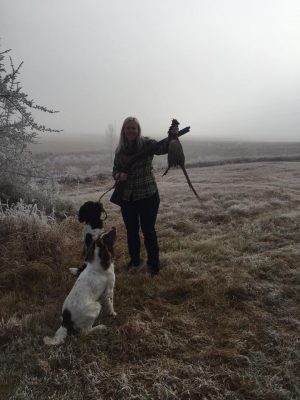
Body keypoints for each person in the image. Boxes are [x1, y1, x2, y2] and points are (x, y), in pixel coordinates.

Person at [112, 116, 173, 277]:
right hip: (127, 198)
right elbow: (114, 171)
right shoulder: (120, 151)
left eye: (134, 128)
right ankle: (135, 261)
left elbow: (163, 149)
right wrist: (119, 175)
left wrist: (172, 137)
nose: (131, 131)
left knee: (148, 231)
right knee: (131, 232)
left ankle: (154, 266)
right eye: (128, 128)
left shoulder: (147, 144)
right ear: (124, 131)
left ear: (138, 130)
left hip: (148, 195)